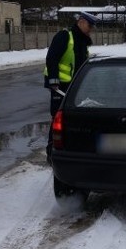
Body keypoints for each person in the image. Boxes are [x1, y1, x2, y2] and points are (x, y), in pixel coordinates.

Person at [44, 11, 98, 156]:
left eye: (92, 26)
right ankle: (51, 152)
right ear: (80, 21)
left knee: (73, 118)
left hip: (75, 87)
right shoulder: (65, 36)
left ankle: (72, 146)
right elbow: (52, 58)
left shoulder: (82, 41)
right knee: (57, 118)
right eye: (89, 25)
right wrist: (53, 81)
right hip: (60, 87)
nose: (91, 29)